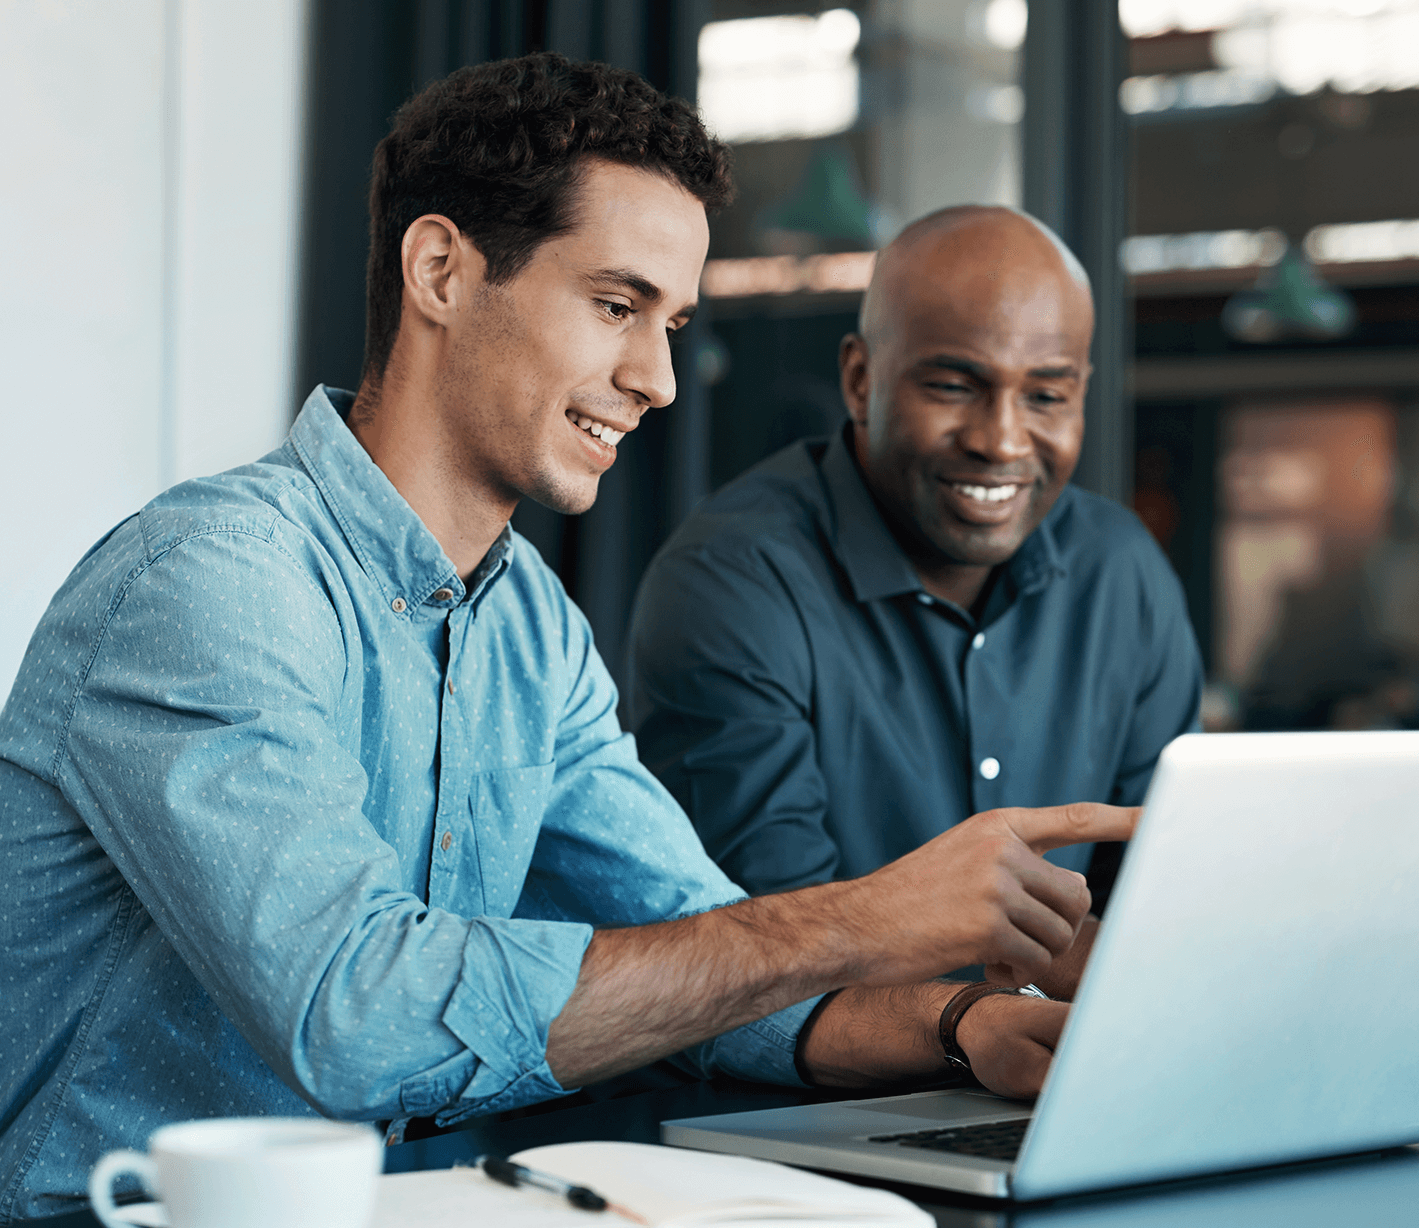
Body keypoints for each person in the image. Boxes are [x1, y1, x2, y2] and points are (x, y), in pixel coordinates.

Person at [0, 57, 1134, 1221]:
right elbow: (357, 1016)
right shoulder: (212, 583)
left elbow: (702, 957)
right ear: (440, 270)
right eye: (615, 306)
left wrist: (964, 1024)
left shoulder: (530, 626)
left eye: (673, 322)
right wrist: (861, 917)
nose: (656, 379)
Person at [627, 206, 1201, 898]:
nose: (1003, 441)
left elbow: (1159, 891)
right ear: (861, 381)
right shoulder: (732, 581)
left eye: (1046, 395)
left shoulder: (1120, 570)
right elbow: (771, 950)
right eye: (955, 387)